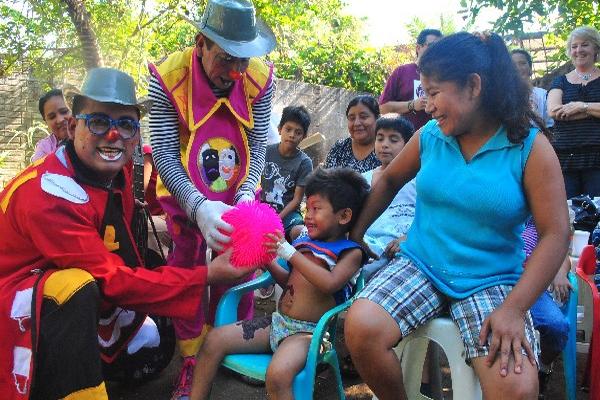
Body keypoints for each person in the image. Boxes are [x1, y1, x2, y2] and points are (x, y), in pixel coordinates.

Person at [0, 67, 255, 400]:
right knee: (76, 286)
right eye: (99, 122)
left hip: (89, 274)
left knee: (148, 337)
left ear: (136, 135)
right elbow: (109, 279)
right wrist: (208, 274)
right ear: (74, 126)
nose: (113, 135)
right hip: (16, 296)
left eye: (125, 124)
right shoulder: (47, 194)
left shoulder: (118, 171)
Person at [345, 32, 570, 400]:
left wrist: (514, 309)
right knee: (361, 327)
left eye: (434, 93)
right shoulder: (432, 136)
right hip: (422, 263)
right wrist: (355, 236)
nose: (426, 105)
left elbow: (555, 233)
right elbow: (387, 182)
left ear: (474, 86)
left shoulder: (529, 146)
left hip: (491, 278)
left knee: (517, 388)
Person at [146, 0, 277, 396]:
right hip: (185, 188)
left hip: (235, 185)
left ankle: (229, 348)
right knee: (187, 268)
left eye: (243, 60)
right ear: (200, 43)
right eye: (225, 59)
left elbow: (257, 148)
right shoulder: (168, 77)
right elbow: (166, 153)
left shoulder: (259, 77)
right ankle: (192, 358)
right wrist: (198, 206)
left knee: (240, 268)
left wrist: (243, 195)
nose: (235, 73)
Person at [190, 167, 369, 399]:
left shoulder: (349, 253)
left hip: (308, 335)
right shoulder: (305, 244)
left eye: (316, 209)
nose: (308, 216)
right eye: (307, 208)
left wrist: (290, 254)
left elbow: (329, 284)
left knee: (278, 375)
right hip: (278, 323)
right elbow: (290, 285)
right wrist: (268, 261)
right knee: (213, 340)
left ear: (344, 216)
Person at [521, 218, 571, 399]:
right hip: (497, 281)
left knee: (556, 326)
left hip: (533, 286)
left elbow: (562, 252)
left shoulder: (540, 215)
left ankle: (543, 368)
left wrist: (559, 272)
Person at [548, 26, 600, 198]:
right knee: (570, 212)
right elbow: (554, 111)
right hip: (566, 159)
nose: (578, 50)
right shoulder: (560, 81)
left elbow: (565, 112)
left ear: (595, 49)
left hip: (597, 158)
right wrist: (593, 110)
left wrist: (582, 106)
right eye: (574, 46)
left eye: (584, 45)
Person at [362, 114, 416, 281]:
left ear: (408, 145)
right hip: (367, 246)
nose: (385, 145)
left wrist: (408, 237)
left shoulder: (418, 180)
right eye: (380, 138)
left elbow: (428, 215)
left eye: (393, 140)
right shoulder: (362, 179)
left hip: (400, 249)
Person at [261, 105, 313, 240]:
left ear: (304, 136)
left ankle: (295, 259)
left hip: (288, 214)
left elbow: (297, 200)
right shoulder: (265, 152)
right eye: (288, 129)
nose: (292, 135)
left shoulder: (304, 162)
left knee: (301, 232)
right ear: (279, 129)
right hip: (263, 210)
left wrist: (277, 219)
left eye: (298, 132)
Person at [379, 28, 443, 130]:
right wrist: (412, 105)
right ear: (418, 48)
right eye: (431, 46)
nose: (435, 50)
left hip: (433, 140)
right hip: (404, 139)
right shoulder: (401, 72)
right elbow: (383, 108)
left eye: (439, 47)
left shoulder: (443, 76)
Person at [323, 95, 381, 173]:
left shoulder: (385, 150)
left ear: (377, 119)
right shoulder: (340, 147)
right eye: (352, 118)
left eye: (363, 117)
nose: (356, 123)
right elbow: (325, 180)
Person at [511, 49, 554, 129]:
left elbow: (550, 126)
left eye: (522, 63)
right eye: (513, 65)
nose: (517, 68)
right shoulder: (504, 98)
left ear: (530, 69)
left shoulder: (544, 95)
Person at [32, 89, 72, 162]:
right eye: (52, 117)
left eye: (64, 112)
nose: (60, 120)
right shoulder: (44, 148)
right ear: (46, 122)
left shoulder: (89, 136)